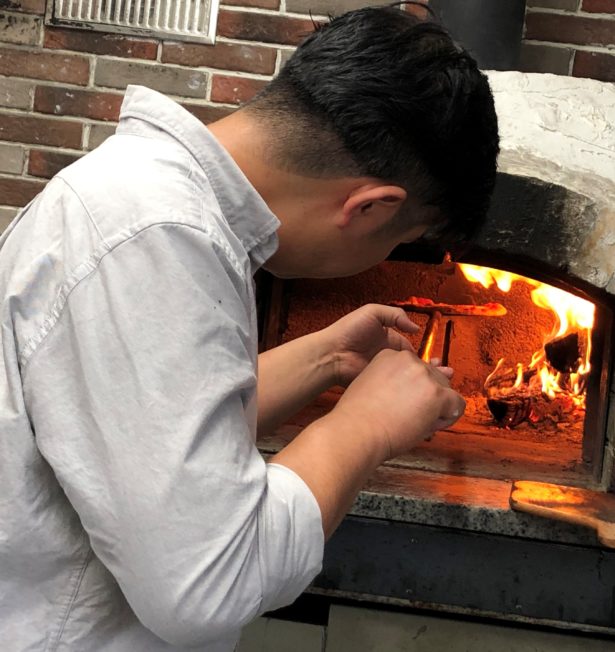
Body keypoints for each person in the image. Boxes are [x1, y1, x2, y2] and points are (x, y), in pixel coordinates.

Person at [0, 4, 498, 651]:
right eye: (400, 242)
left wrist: (325, 359)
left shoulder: (157, 205)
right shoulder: (159, 237)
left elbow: (140, 425)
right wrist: (367, 425)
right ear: (372, 207)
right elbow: (208, 584)